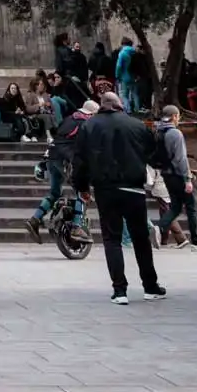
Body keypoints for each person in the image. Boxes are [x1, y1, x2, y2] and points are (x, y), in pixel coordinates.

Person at [71, 88, 166, 304]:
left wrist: (82, 187)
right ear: (119, 104)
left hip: (106, 189)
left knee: (111, 239)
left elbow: (80, 161)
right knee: (141, 238)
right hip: (134, 188)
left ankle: (120, 290)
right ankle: (150, 286)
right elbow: (155, 154)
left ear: (102, 105)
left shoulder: (89, 126)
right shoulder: (136, 125)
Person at [27, 97, 98, 239]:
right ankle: (77, 227)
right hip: (66, 160)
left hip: (51, 155)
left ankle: (35, 219)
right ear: (91, 113)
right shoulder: (86, 123)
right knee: (83, 194)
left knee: (54, 193)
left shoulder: (69, 118)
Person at [156, 104, 197, 248]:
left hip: (166, 174)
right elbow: (181, 159)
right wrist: (188, 179)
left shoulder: (158, 132)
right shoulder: (176, 133)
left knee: (175, 207)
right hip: (178, 174)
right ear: (175, 116)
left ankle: (158, 227)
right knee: (191, 206)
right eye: (178, 116)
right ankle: (196, 241)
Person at [114, 39, 138, 113]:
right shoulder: (135, 53)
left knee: (125, 95)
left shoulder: (122, 53)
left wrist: (117, 75)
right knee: (135, 93)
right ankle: (137, 108)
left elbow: (119, 66)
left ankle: (128, 109)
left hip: (124, 76)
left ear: (123, 44)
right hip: (134, 76)